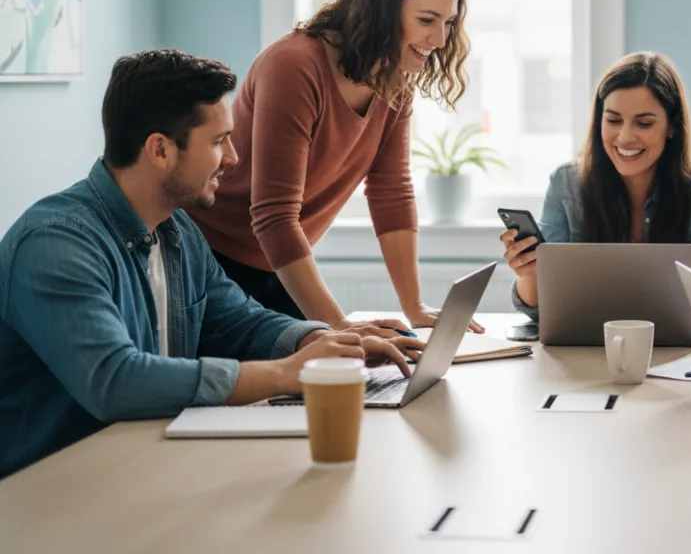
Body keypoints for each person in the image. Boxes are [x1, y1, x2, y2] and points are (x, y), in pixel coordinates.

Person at [0, 52, 423, 478]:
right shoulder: (57, 245)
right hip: (46, 493)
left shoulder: (176, 228)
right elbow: (116, 381)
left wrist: (320, 341)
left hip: (141, 469)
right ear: (161, 150)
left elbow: (237, 319)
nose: (234, 158)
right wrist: (283, 374)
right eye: (219, 141)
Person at [189, 0, 481, 333]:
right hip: (209, 261)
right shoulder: (294, 67)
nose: (441, 40)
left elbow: (390, 190)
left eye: (449, 22)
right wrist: (340, 325)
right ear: (381, 10)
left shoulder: (395, 80)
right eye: (426, 21)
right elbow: (274, 215)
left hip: (278, 264)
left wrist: (414, 306)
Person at [500, 52, 691, 316]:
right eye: (613, 120)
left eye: (644, 123)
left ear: (672, 127)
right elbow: (540, 310)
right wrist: (528, 274)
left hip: (682, 349)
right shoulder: (566, 185)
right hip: (587, 348)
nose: (625, 137)